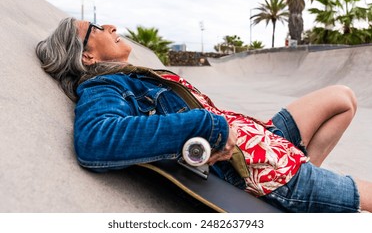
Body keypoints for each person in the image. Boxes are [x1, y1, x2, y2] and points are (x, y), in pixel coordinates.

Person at [35, 17, 372, 213]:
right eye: (95, 27)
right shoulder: (103, 87)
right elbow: (96, 138)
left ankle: (304, 187)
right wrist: (207, 126)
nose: (109, 25)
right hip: (257, 167)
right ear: (89, 57)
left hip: (262, 137)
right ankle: (296, 188)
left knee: (342, 98)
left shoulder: (135, 76)